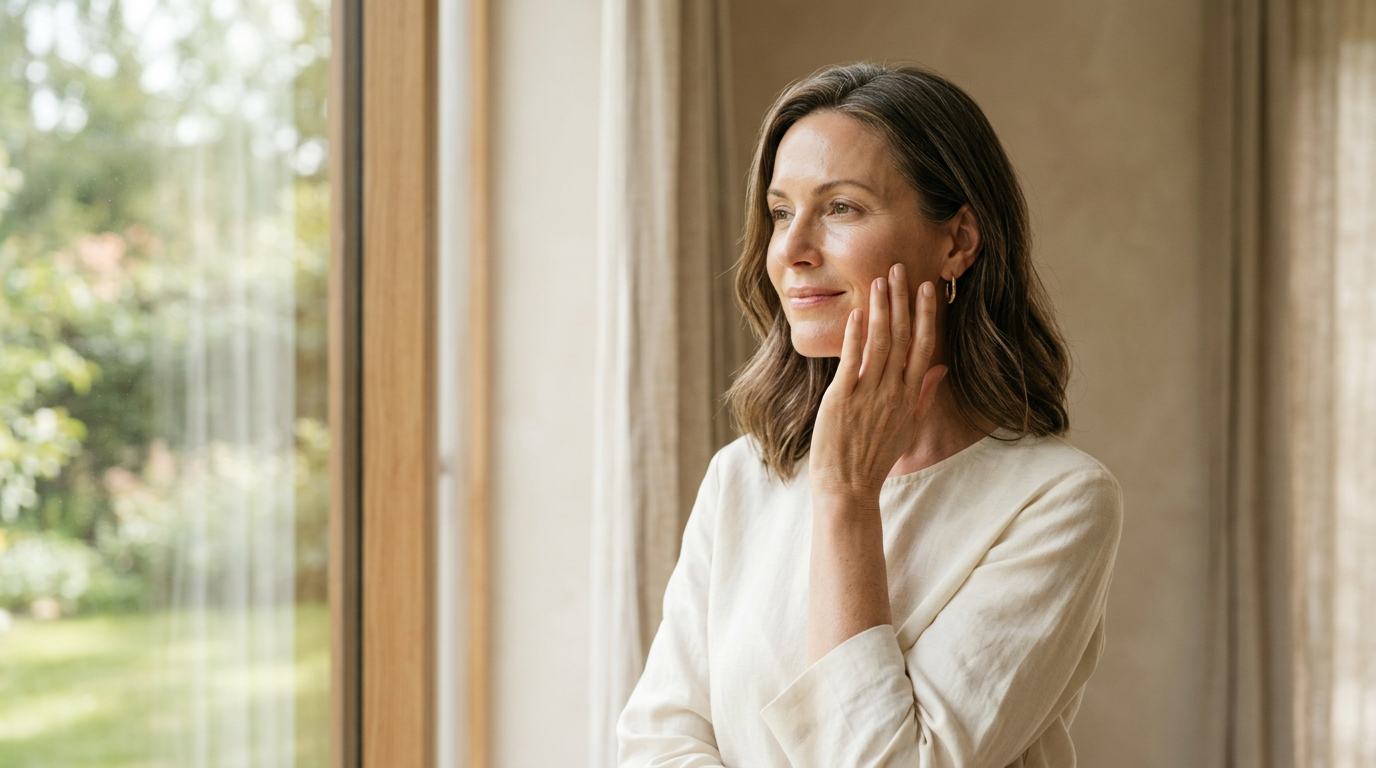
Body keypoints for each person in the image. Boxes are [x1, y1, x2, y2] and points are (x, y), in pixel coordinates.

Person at [618, 62, 1123, 768]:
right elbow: (657, 744)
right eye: (781, 213)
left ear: (958, 242)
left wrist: (847, 498)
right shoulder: (741, 478)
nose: (792, 251)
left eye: (841, 208)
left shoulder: (1058, 501)